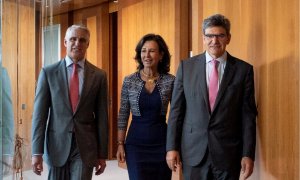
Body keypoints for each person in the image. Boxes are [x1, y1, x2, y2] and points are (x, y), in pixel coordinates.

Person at [166, 14, 257, 180]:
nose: (214, 41)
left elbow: (248, 116)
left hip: (228, 153)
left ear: (228, 38)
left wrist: (248, 154)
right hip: (193, 152)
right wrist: (171, 147)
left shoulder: (243, 71)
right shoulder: (186, 67)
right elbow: (176, 111)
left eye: (220, 35)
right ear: (203, 38)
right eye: (210, 36)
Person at [31, 24, 108, 180]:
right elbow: (39, 116)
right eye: (73, 39)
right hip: (56, 144)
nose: (77, 43)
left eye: (82, 40)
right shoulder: (48, 72)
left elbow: (102, 117)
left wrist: (102, 154)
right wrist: (36, 152)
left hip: (85, 146)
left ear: (88, 44)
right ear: (65, 42)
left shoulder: (99, 75)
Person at [116, 34, 175, 180]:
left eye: (152, 51)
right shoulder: (129, 81)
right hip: (136, 145)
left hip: (162, 144)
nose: (146, 55)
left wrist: (175, 146)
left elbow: (177, 115)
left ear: (161, 55)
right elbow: (123, 114)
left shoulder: (171, 80)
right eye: (143, 51)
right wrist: (120, 144)